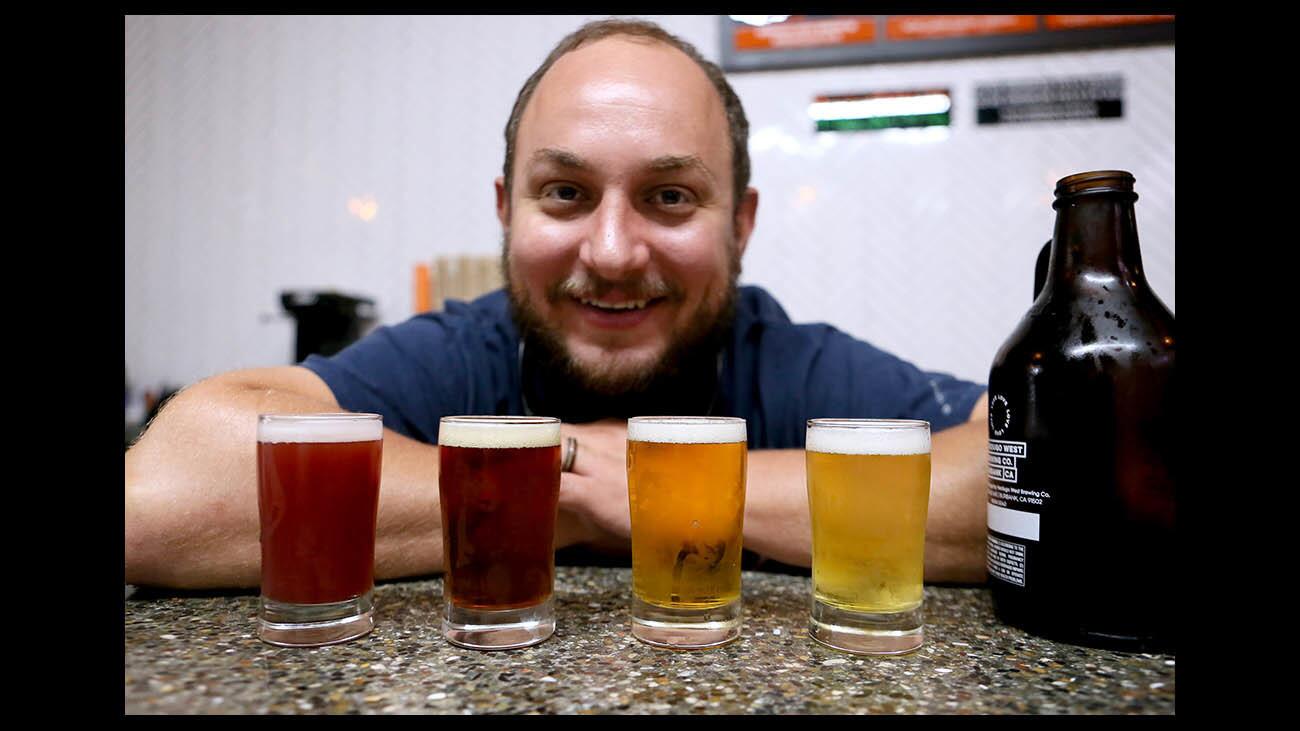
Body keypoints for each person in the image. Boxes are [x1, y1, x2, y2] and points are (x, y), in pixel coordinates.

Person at [124, 19, 990, 590]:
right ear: (507, 211)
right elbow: (160, 499)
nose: (612, 253)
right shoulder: (459, 353)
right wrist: (570, 489)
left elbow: (1025, 468)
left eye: (671, 197)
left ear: (742, 225)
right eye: (566, 193)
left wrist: (649, 484)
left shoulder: (790, 361)